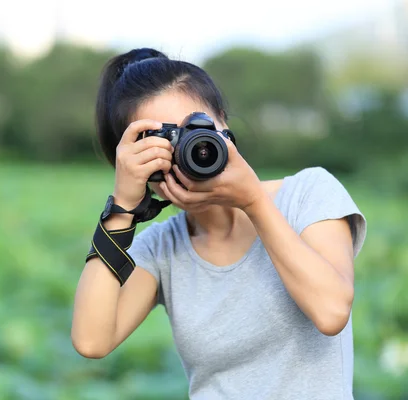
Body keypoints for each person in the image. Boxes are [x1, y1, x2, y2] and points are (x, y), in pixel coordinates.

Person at [71, 48, 367, 400]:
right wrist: (121, 208)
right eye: (162, 141)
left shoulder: (309, 193)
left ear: (224, 124)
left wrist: (253, 201)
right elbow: (91, 340)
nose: (190, 150)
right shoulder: (162, 247)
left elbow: (331, 311)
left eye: (196, 128)